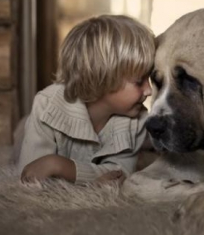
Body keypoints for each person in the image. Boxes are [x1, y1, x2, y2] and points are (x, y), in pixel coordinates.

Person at [17, 15, 155, 184]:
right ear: (103, 78)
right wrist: (95, 178)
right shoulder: (47, 105)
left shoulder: (137, 119)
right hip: (33, 126)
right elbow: (31, 175)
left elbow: (119, 175)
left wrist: (59, 165)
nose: (149, 90)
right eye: (139, 82)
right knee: (20, 134)